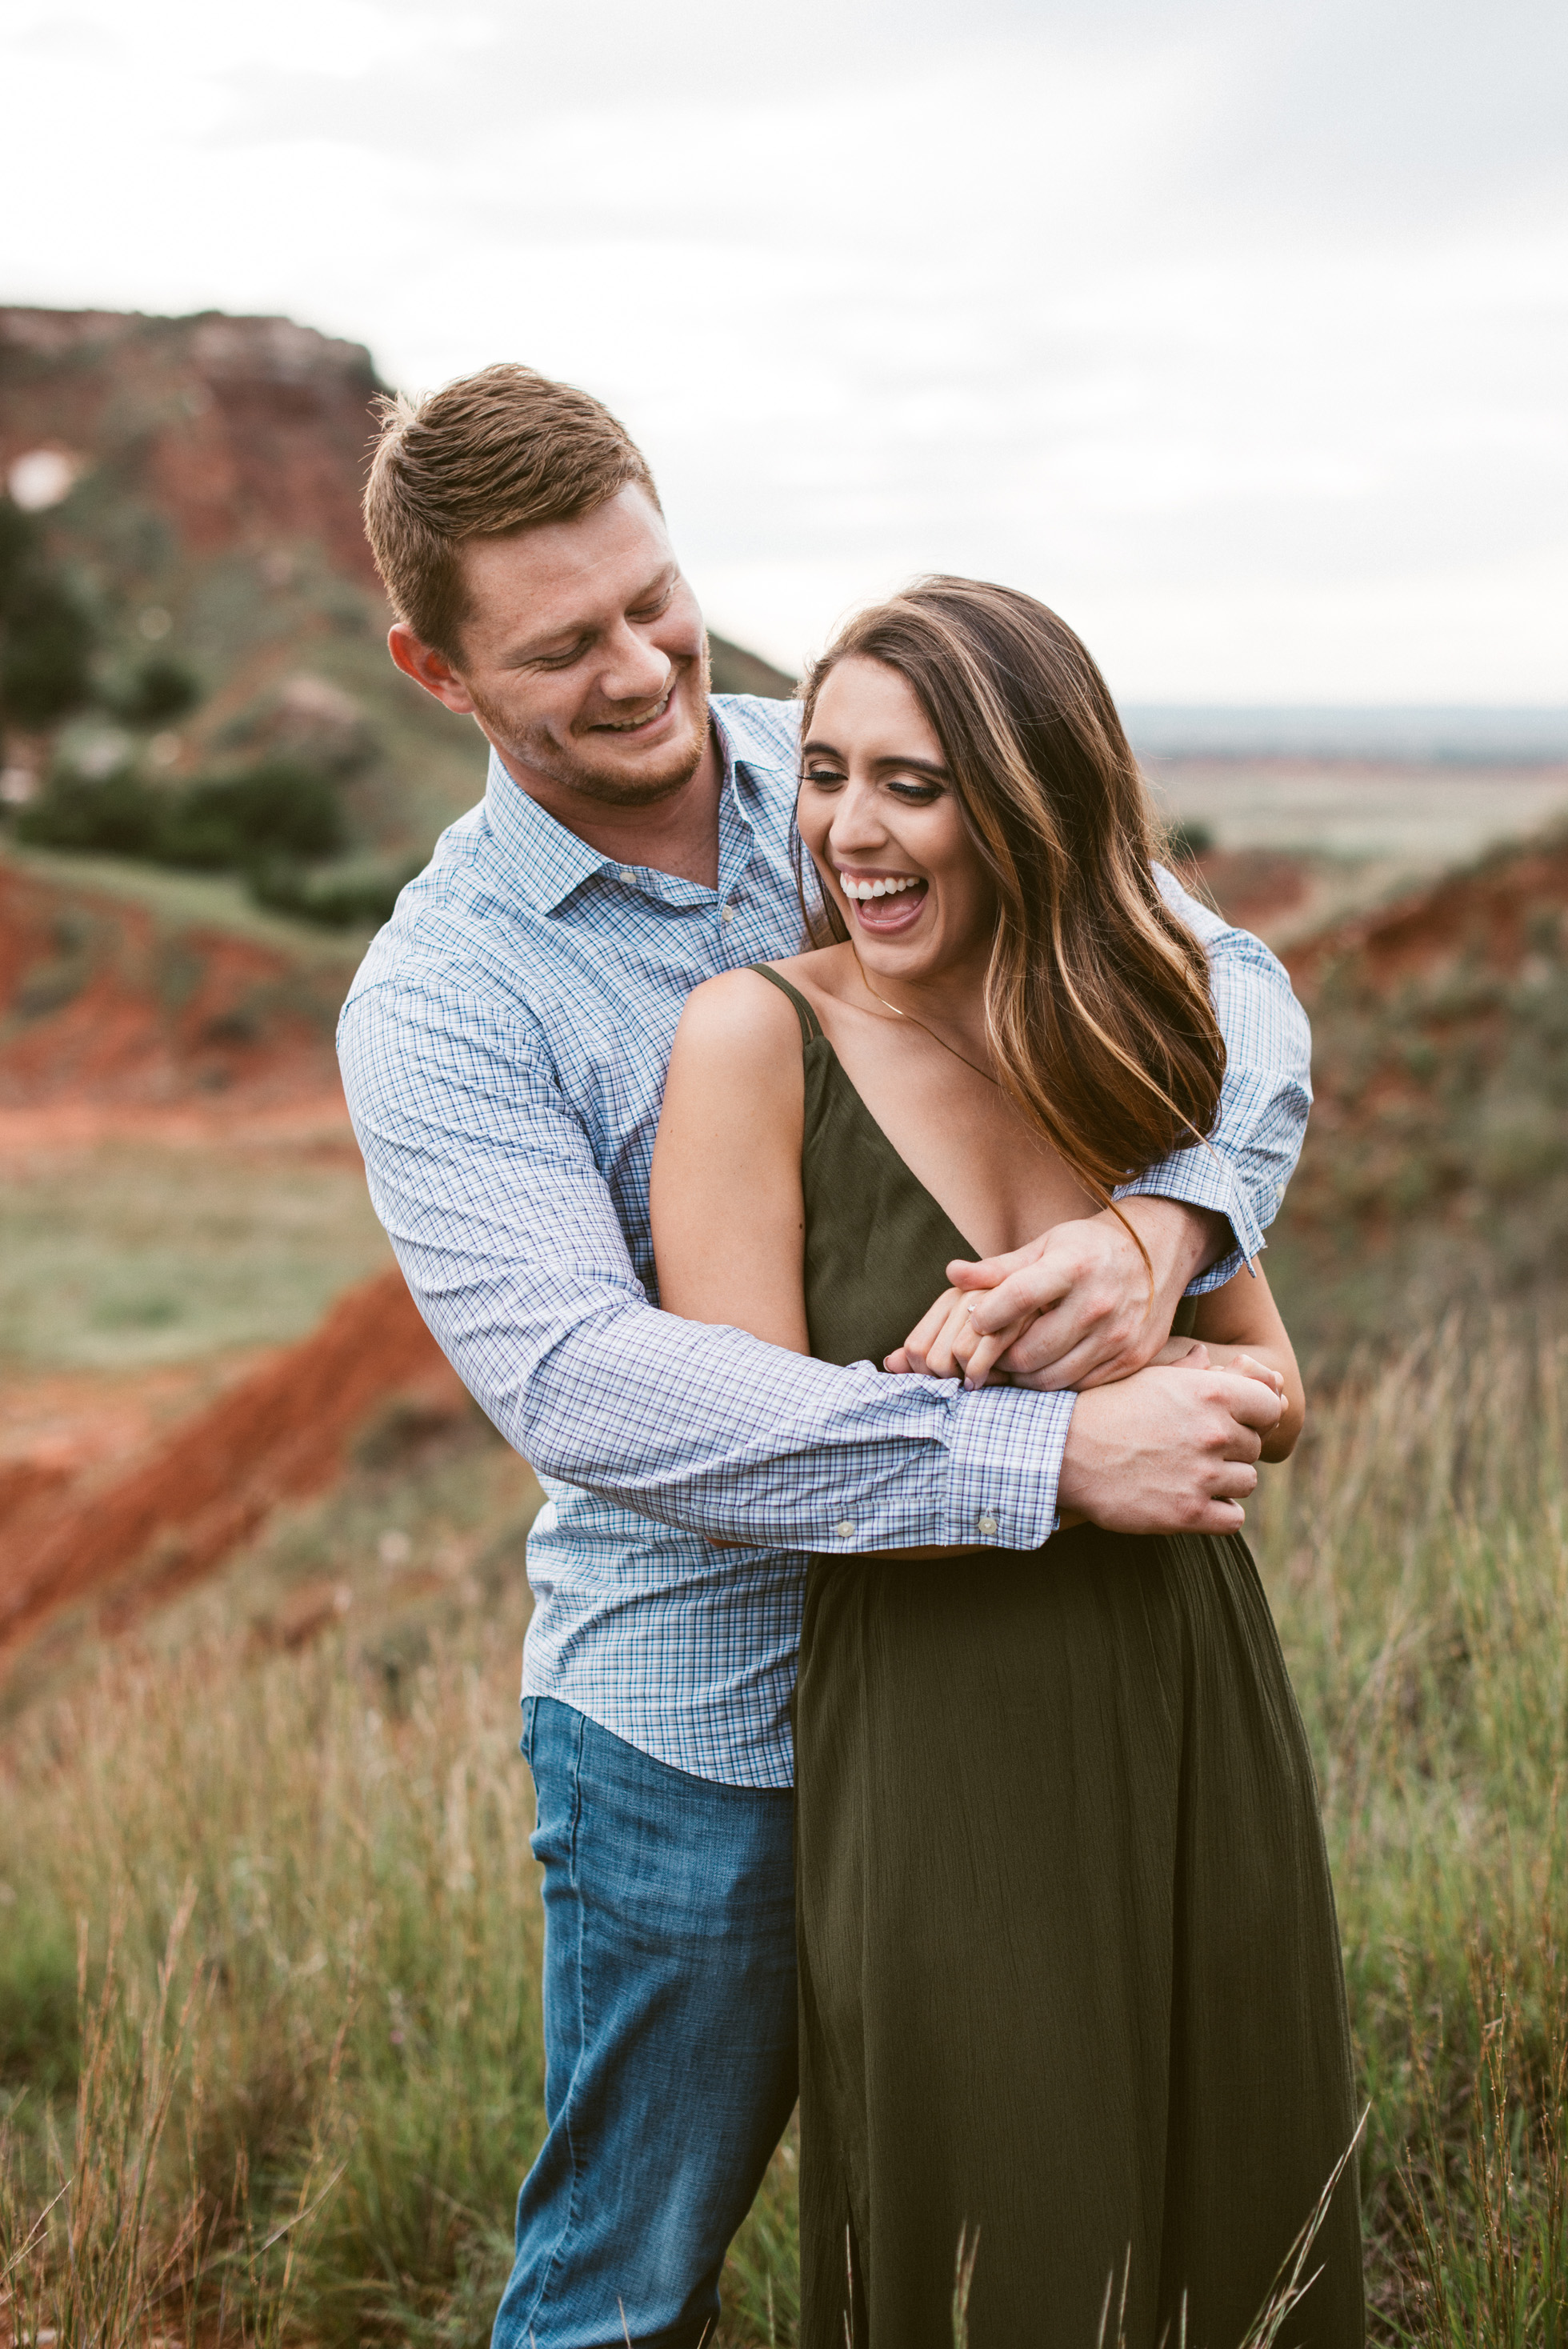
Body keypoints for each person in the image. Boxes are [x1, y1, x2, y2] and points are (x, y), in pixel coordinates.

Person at [338, 363, 1314, 2349]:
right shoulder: (441, 999)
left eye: (654, 599)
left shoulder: (855, 759)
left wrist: (1164, 1226)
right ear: (433, 670)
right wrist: (1043, 1463)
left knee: (1060, 2222)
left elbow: (1229, 981)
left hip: (1000, 1698)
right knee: (628, 2285)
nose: (640, 670)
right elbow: (587, 1390)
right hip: (698, 1728)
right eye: (562, 645)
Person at [650, 579, 1362, 2349]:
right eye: (824, 773)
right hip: (938, 1720)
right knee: (1011, 2240)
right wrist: (1055, 1444)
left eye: (913, 782)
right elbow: (749, 1463)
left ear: (1024, 798)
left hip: (1195, 1694)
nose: (850, 831)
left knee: (1235, 2206)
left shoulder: (1117, 1027)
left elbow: (1273, 1381)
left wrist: (1163, 1354)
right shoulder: (751, 1037)